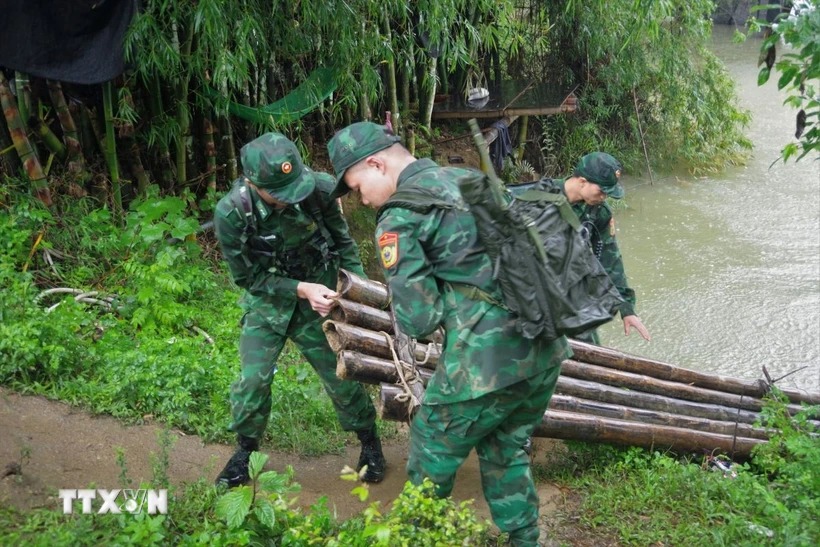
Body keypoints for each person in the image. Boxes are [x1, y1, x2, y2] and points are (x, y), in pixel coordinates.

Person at [327, 122, 572, 547]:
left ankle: (416, 538)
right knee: (505, 445)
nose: (361, 200)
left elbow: (419, 318)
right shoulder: (469, 177)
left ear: (376, 163)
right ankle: (525, 539)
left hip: (489, 362)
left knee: (431, 446)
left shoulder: (400, 217)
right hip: (546, 346)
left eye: (357, 186)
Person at [212, 132, 385, 488]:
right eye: (279, 193)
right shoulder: (231, 213)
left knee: (343, 376)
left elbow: (342, 242)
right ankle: (244, 452)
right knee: (253, 381)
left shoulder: (319, 189)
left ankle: (369, 443)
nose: (292, 198)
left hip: (321, 302)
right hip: (269, 306)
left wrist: (356, 294)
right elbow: (248, 278)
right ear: (252, 182)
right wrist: (298, 289)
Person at [519, 152, 651, 345]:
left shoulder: (598, 212)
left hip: (570, 296)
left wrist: (626, 309)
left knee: (591, 350)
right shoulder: (536, 198)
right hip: (530, 296)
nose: (604, 197)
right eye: (601, 191)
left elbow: (610, 259)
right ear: (582, 182)